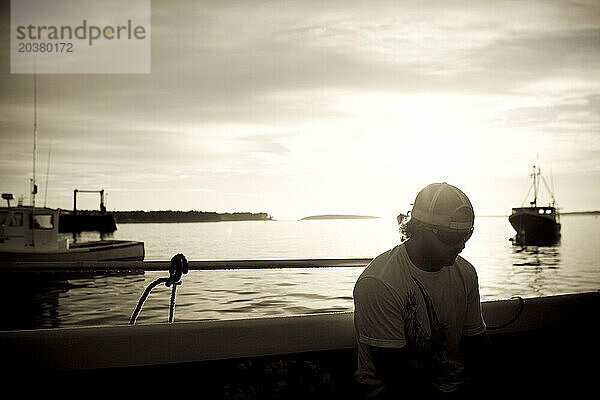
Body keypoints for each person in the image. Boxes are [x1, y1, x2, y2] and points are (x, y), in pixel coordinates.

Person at [353, 182, 492, 398]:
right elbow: (393, 372)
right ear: (420, 228)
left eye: (467, 235)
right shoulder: (380, 282)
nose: (461, 245)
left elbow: (476, 344)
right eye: (451, 236)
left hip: (453, 385)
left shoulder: (465, 272)